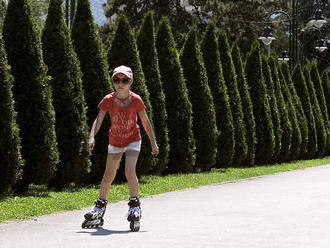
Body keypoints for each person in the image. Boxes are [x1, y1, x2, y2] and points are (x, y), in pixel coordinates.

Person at [82, 65, 159, 230]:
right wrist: (91, 136)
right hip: (115, 140)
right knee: (109, 174)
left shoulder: (136, 100)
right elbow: (99, 119)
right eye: (116, 80)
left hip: (133, 139)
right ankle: (99, 208)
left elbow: (145, 121)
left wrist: (153, 142)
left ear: (130, 82)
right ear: (113, 82)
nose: (120, 83)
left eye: (124, 80)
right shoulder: (108, 100)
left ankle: (135, 206)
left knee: (129, 171)